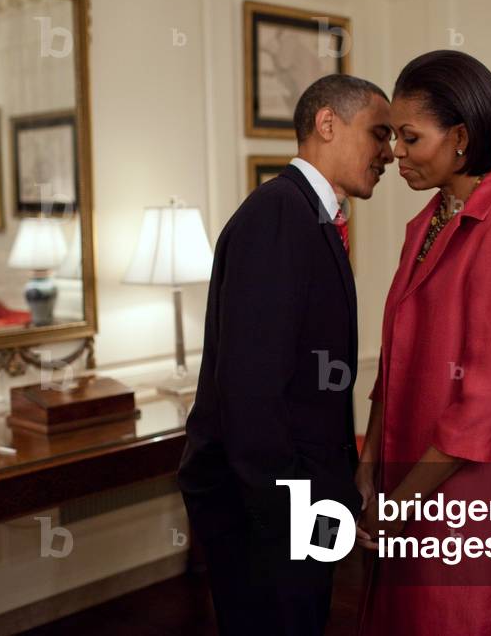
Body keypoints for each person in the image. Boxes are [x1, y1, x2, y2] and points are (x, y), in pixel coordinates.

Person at [177, 73, 393, 636]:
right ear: (328, 123)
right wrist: (300, 519)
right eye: (379, 134)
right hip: (266, 513)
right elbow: (251, 392)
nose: (389, 153)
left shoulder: (309, 215)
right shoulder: (278, 216)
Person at [356, 50, 491, 635]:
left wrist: (399, 505)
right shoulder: (430, 219)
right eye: (392, 136)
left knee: (459, 615)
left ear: (461, 138)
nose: (394, 152)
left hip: (475, 478)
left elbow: (485, 401)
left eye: (410, 138)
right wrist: (370, 464)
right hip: (416, 462)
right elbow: (394, 357)